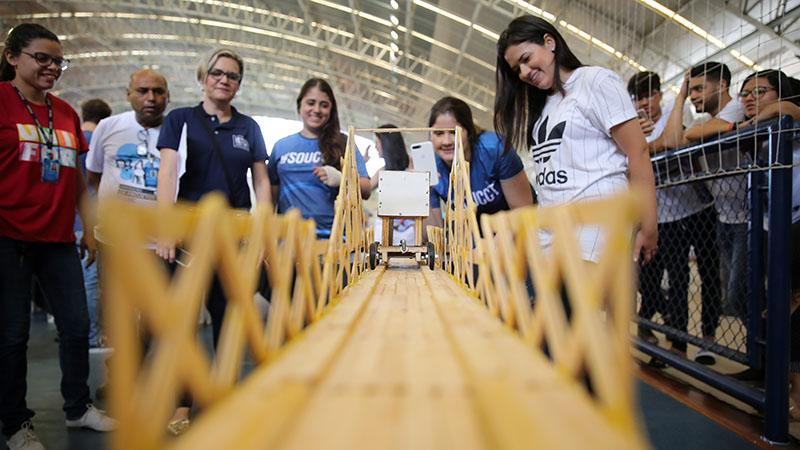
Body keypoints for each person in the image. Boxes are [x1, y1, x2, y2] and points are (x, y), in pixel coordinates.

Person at [0, 23, 116, 450]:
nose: (53, 67)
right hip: (7, 235)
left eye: (58, 61)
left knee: (75, 324)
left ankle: (77, 408)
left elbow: (76, 182)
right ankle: (15, 423)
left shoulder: (65, 112)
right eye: (42, 58)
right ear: (13, 57)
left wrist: (87, 229)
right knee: (13, 332)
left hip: (58, 237)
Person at [156, 48, 270, 434]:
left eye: (233, 76)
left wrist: (262, 236)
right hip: (188, 238)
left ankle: (224, 397)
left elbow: (262, 184)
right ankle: (181, 404)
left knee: (229, 320)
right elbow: (168, 173)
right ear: (204, 76)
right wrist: (166, 227)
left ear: (239, 84)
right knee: (183, 324)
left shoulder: (249, 128)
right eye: (217, 73)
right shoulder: (180, 120)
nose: (224, 80)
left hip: (232, 239)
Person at [494, 15, 657, 267]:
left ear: (549, 42)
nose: (524, 73)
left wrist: (649, 225)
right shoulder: (543, 108)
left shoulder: (595, 81)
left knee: (578, 302)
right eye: (517, 70)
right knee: (553, 305)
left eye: (526, 59)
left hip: (597, 222)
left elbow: (638, 152)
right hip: (551, 228)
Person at [627, 72, 719, 365]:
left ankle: (708, 340)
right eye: (639, 97)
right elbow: (632, 158)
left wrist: (643, 145)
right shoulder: (632, 123)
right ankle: (677, 345)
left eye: (649, 94)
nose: (645, 102)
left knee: (709, 276)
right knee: (677, 279)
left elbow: (672, 140)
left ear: (660, 94)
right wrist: (642, 143)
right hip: (665, 214)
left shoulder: (675, 111)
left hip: (698, 208)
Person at [663, 62, 746, 365]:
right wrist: (680, 97)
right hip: (724, 215)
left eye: (699, 88)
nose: (695, 95)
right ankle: (762, 358)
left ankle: (715, 342)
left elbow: (682, 137)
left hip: (743, 214)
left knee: (733, 290)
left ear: (721, 85)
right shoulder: (711, 119)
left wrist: (692, 129)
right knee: (731, 290)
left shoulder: (736, 109)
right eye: (692, 88)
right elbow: (673, 140)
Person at [268, 78, 371, 239]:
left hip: (336, 243)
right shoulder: (281, 147)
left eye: (324, 105)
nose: (316, 110)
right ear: (300, 104)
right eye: (310, 102)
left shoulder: (344, 143)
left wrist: (342, 179)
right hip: (291, 243)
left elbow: (366, 189)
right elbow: (270, 201)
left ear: (331, 110)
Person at [424, 96, 533, 232]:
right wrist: (420, 191)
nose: (446, 141)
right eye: (438, 133)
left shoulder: (495, 149)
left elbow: (523, 210)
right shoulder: (431, 168)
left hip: (516, 226)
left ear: (469, 132)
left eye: (454, 132)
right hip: (476, 234)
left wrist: (493, 248)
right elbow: (431, 234)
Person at [78, 98, 111, 350]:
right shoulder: (99, 141)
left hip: (72, 220)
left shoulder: (75, 139)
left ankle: (85, 332)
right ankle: (92, 335)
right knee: (93, 281)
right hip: (94, 222)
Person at [371, 124, 415, 244]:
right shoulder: (382, 171)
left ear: (385, 144)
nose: (375, 147)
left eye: (377, 143)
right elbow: (363, 189)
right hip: (385, 229)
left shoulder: (412, 168)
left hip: (409, 230)